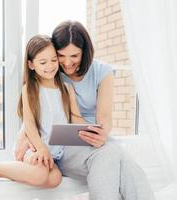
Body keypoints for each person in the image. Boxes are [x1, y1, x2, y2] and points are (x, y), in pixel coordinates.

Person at [14, 21, 155, 200]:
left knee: (127, 166)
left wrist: (101, 135)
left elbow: (104, 117)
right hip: (64, 143)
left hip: (90, 134)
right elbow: (39, 110)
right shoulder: (52, 72)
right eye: (61, 56)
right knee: (113, 156)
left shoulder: (102, 71)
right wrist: (24, 134)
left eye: (74, 55)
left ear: (85, 52)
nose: (66, 62)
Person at [0, 34, 86, 187]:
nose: (50, 66)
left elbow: (76, 117)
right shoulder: (30, 90)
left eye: (54, 60)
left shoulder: (67, 89)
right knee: (40, 175)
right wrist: (40, 148)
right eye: (43, 62)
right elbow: (29, 124)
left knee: (55, 180)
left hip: (54, 152)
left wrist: (89, 130)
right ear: (31, 65)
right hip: (34, 148)